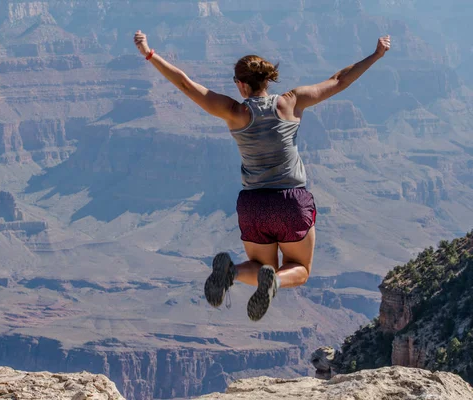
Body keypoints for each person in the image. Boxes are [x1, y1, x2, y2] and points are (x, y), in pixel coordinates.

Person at [134, 30, 391, 321]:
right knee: (300, 269)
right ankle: (277, 282)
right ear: (268, 80)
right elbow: (339, 80)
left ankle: (231, 273)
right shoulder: (291, 102)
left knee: (258, 266)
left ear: (241, 85)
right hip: (290, 201)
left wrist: (149, 53)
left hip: (254, 205)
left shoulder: (233, 111)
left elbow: (185, 83)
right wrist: (375, 55)